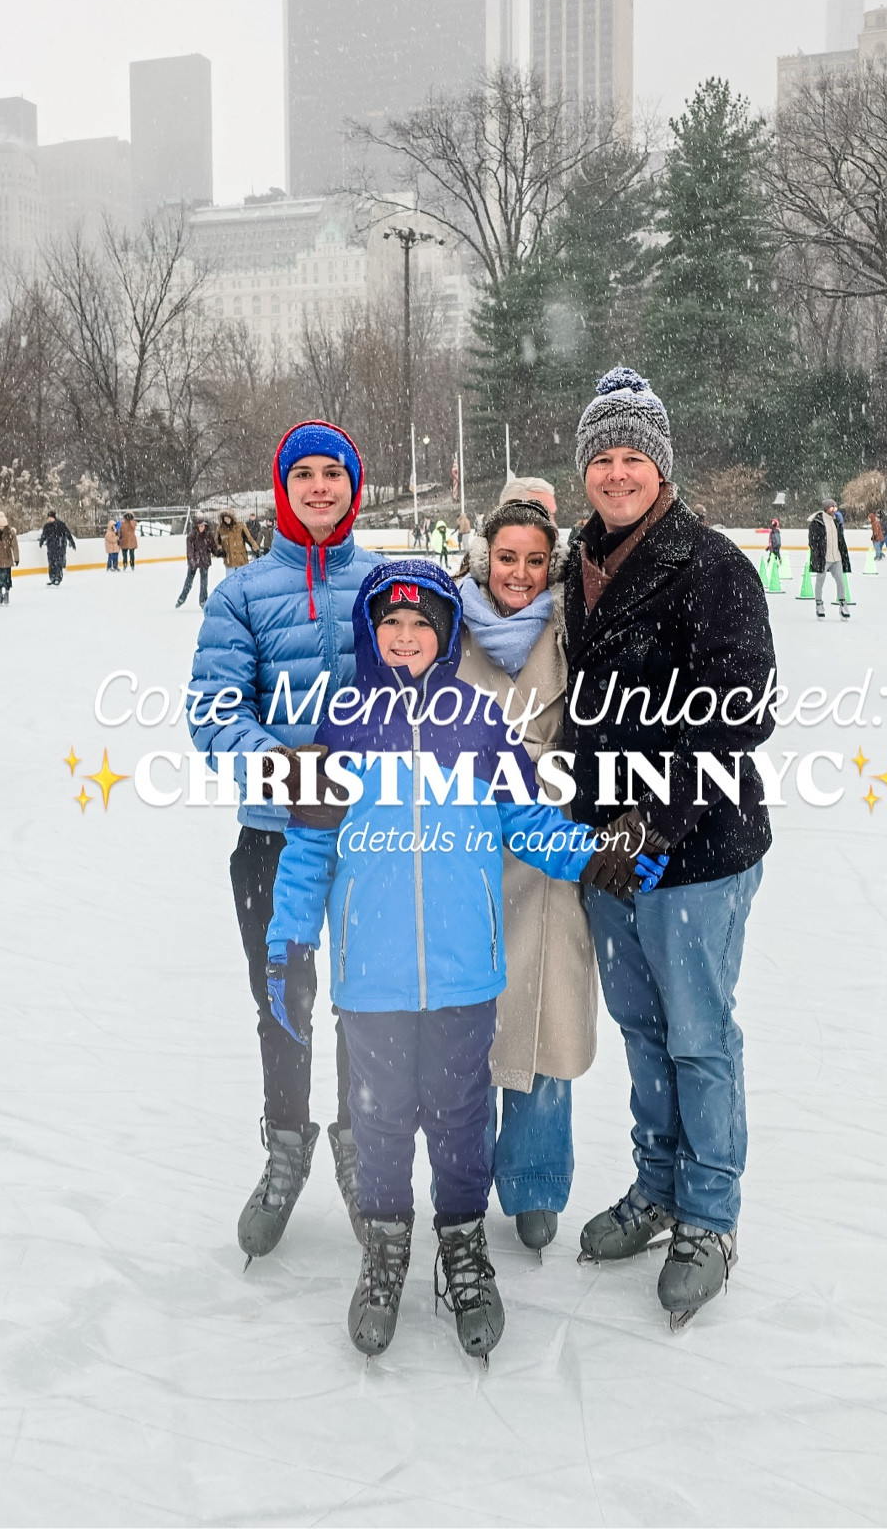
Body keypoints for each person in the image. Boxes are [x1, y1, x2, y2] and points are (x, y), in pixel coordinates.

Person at [264, 559, 607, 1361]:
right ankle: (385, 1247)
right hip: (372, 980)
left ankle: (461, 1244)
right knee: (379, 1116)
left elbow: (528, 822)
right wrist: (290, 944)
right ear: (370, 632)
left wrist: (596, 854)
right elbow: (309, 849)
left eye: (423, 625)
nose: (407, 637)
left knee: (459, 1120)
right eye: (392, 624)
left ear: (449, 633)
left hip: (463, 974)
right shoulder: (340, 722)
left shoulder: (481, 722)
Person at [561, 365, 776, 1331]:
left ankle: (710, 1216)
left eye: (632, 458)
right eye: (602, 458)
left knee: (697, 1034)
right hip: (602, 852)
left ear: (662, 468)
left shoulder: (712, 565)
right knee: (644, 1032)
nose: (616, 473)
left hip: (695, 852)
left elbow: (741, 714)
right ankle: (657, 1188)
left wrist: (650, 821)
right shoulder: (579, 560)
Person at [188, 422, 379, 1262]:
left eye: (331, 473)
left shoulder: (386, 582)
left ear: (352, 486)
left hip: (375, 838)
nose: (317, 486)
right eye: (301, 474)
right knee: (283, 1001)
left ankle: (360, 1152)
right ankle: (287, 1148)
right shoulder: (242, 594)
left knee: (370, 1004)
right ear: (281, 489)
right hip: (274, 839)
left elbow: (431, 685)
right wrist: (279, 766)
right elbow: (214, 710)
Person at [456, 496, 597, 1254]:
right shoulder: (449, 623)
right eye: (506, 557)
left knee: (547, 1016)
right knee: (468, 1023)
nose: (519, 573)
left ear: (553, 565)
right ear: (485, 558)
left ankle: (538, 1180)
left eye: (535, 560)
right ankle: (466, 1176)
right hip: (469, 843)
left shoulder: (570, 625)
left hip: (550, 842)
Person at [808, 497, 852, 619]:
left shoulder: (836, 521)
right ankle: (819, 604)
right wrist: (818, 553)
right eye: (832, 507)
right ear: (826, 508)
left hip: (836, 557)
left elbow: (840, 539)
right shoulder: (818, 522)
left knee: (840, 582)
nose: (834, 510)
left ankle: (843, 604)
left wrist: (842, 553)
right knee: (820, 581)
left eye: (835, 507)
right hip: (824, 558)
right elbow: (812, 540)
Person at [175, 515, 215, 609]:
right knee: (189, 581)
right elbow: (190, 551)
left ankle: (203, 601)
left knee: (204, 582)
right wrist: (192, 562)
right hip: (195, 562)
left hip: (204, 561)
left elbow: (212, 547)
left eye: (203, 526)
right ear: (196, 526)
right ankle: (182, 598)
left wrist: (219, 552)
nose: (202, 528)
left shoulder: (208, 535)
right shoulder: (191, 536)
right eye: (200, 526)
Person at [215, 508, 260, 574]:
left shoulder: (240, 526)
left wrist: (255, 548)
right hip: (229, 559)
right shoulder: (221, 529)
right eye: (224, 518)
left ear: (232, 518)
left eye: (228, 518)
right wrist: (220, 549)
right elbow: (217, 541)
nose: (226, 520)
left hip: (240, 558)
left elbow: (249, 538)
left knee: (241, 579)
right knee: (230, 580)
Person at [39, 510, 76, 585]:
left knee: (58, 563)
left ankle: (58, 578)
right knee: (51, 563)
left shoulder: (60, 525)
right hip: (50, 548)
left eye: (50, 517)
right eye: (48, 517)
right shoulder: (47, 526)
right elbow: (44, 535)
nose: (49, 519)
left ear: (53, 517)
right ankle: (52, 578)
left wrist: (71, 541)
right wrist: (41, 541)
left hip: (59, 547)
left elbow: (67, 533)